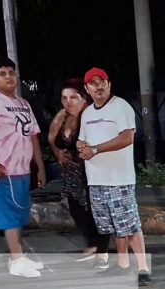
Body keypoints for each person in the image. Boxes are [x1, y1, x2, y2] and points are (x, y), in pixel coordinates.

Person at [76, 67, 151, 285]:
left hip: (119, 179)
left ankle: (144, 269)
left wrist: (96, 150)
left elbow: (127, 137)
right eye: (93, 83)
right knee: (112, 226)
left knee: (130, 225)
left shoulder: (121, 107)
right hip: (96, 179)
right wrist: (82, 146)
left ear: (109, 84)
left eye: (102, 82)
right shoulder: (87, 113)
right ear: (86, 88)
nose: (98, 86)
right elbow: (83, 141)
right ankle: (123, 265)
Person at [48, 79, 110, 268]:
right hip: (70, 174)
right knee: (77, 209)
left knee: (96, 209)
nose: (68, 102)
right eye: (64, 98)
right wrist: (58, 152)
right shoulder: (62, 116)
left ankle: (102, 249)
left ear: (84, 98)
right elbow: (52, 138)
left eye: (73, 97)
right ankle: (92, 245)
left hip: (90, 171)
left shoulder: (91, 116)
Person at [0, 55, 46, 278]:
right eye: (2, 74)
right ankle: (17, 260)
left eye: (11, 73)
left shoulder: (23, 104)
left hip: (23, 170)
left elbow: (33, 136)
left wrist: (40, 166)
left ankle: (18, 257)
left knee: (19, 214)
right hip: (4, 170)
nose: (8, 77)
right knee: (9, 216)